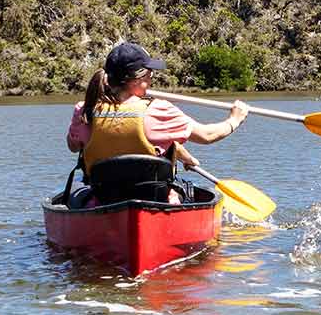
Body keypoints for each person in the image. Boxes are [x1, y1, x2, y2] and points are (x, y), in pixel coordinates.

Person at [65, 41, 250, 201]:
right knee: (184, 192)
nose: (152, 79)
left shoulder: (84, 110)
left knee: (76, 192)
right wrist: (234, 120)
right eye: (150, 74)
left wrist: (180, 152)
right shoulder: (158, 110)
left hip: (103, 198)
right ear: (138, 78)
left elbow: (74, 146)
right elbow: (207, 135)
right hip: (154, 198)